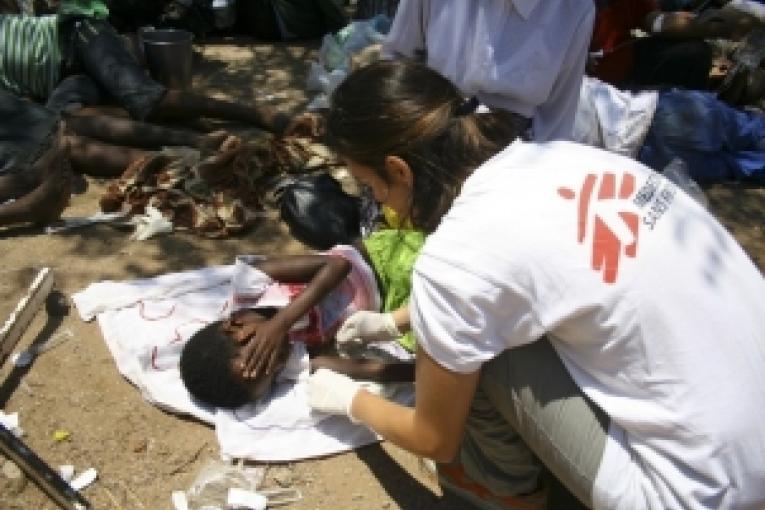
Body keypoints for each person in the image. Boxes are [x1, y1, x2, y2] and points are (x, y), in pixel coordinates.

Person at [304, 60, 765, 509]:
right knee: (480, 325)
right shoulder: (566, 157)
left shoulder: (456, 254)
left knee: (481, 355)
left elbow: (434, 438)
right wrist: (393, 322)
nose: (377, 201)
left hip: (696, 489)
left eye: (371, 185)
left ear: (399, 171)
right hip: (748, 440)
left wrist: (349, 399)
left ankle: (498, 493)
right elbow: (532, 279)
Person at [179, 226, 425, 408]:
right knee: (437, 330)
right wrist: (419, 373)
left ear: (236, 327)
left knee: (439, 271)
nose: (277, 365)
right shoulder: (284, 360)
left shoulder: (252, 285)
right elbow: (352, 368)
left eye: (263, 361)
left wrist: (280, 322)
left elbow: (338, 266)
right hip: (390, 305)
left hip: (381, 262)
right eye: (273, 376)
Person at [0, 1, 297, 133]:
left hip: (76, 38)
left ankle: (256, 114)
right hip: (61, 79)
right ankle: (173, 120)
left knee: (146, 98)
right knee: (61, 122)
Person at [381, 0, 595, 142]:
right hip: (427, 131)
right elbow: (398, 59)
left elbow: (558, 116)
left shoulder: (573, 9)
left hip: (511, 157)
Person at [574, 75, 765, 183]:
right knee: (750, 128)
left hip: (648, 154)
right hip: (660, 108)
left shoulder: (548, 136)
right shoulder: (566, 76)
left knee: (739, 166)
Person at [587, 0, 759, 91]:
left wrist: (707, 26)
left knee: (694, 53)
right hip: (594, 86)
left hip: (628, 60)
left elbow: (649, 19)